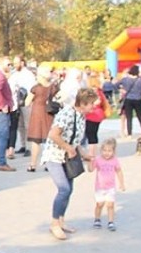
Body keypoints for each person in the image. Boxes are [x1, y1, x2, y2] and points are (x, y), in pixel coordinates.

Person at [41, 88, 99, 240]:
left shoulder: (81, 117)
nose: (94, 107)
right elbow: (53, 134)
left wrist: (84, 153)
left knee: (69, 189)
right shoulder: (67, 113)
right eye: (92, 104)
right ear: (83, 103)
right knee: (64, 188)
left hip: (68, 157)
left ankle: (61, 220)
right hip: (54, 155)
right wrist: (68, 148)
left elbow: (75, 139)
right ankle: (54, 223)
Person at [89, 138, 125, 231]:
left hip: (110, 187)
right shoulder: (98, 159)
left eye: (109, 151)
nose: (106, 153)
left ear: (113, 151)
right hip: (100, 187)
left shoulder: (115, 160)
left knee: (110, 205)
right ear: (101, 150)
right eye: (104, 150)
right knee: (99, 204)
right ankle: (97, 219)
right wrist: (90, 161)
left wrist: (122, 183)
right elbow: (91, 169)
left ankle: (111, 221)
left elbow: (119, 171)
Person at [24, 64, 55, 172]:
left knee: (36, 140)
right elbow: (62, 96)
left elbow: (27, 102)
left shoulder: (36, 88)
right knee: (48, 139)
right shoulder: (53, 87)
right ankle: (47, 163)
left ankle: (32, 164)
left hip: (37, 113)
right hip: (49, 112)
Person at [117, 65, 141, 139]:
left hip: (128, 99)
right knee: (140, 116)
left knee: (129, 117)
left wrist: (122, 89)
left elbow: (116, 85)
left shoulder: (125, 79)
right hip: (138, 99)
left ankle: (129, 134)